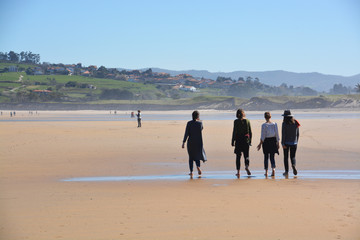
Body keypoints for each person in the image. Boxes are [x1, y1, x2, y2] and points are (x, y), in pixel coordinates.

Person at [182, 110, 207, 177]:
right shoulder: (200, 123)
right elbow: (202, 128)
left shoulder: (189, 123)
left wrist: (183, 142)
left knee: (191, 157)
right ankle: (198, 166)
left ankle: (191, 171)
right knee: (197, 156)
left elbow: (186, 133)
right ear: (198, 116)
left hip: (190, 142)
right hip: (198, 142)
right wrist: (199, 120)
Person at [257, 112, 280, 177]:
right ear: (270, 117)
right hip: (273, 141)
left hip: (266, 141)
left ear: (265, 117)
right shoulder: (274, 124)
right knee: (272, 157)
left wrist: (260, 144)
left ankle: (266, 171)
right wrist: (278, 142)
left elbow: (262, 135)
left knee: (266, 157)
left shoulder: (264, 125)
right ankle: (273, 169)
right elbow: (277, 134)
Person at [231, 109, 252, 177]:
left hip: (238, 140)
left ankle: (238, 172)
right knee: (246, 155)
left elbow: (234, 132)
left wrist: (232, 141)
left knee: (238, 157)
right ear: (243, 114)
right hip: (246, 140)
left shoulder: (236, 121)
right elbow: (250, 132)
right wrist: (250, 141)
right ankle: (246, 166)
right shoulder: (247, 121)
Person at [281, 110, 300, 176]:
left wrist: (282, 143)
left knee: (286, 157)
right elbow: (298, 133)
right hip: (294, 143)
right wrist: (296, 141)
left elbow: (283, 134)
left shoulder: (284, 123)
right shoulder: (296, 123)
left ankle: (286, 171)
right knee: (293, 156)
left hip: (286, 142)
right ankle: (293, 165)